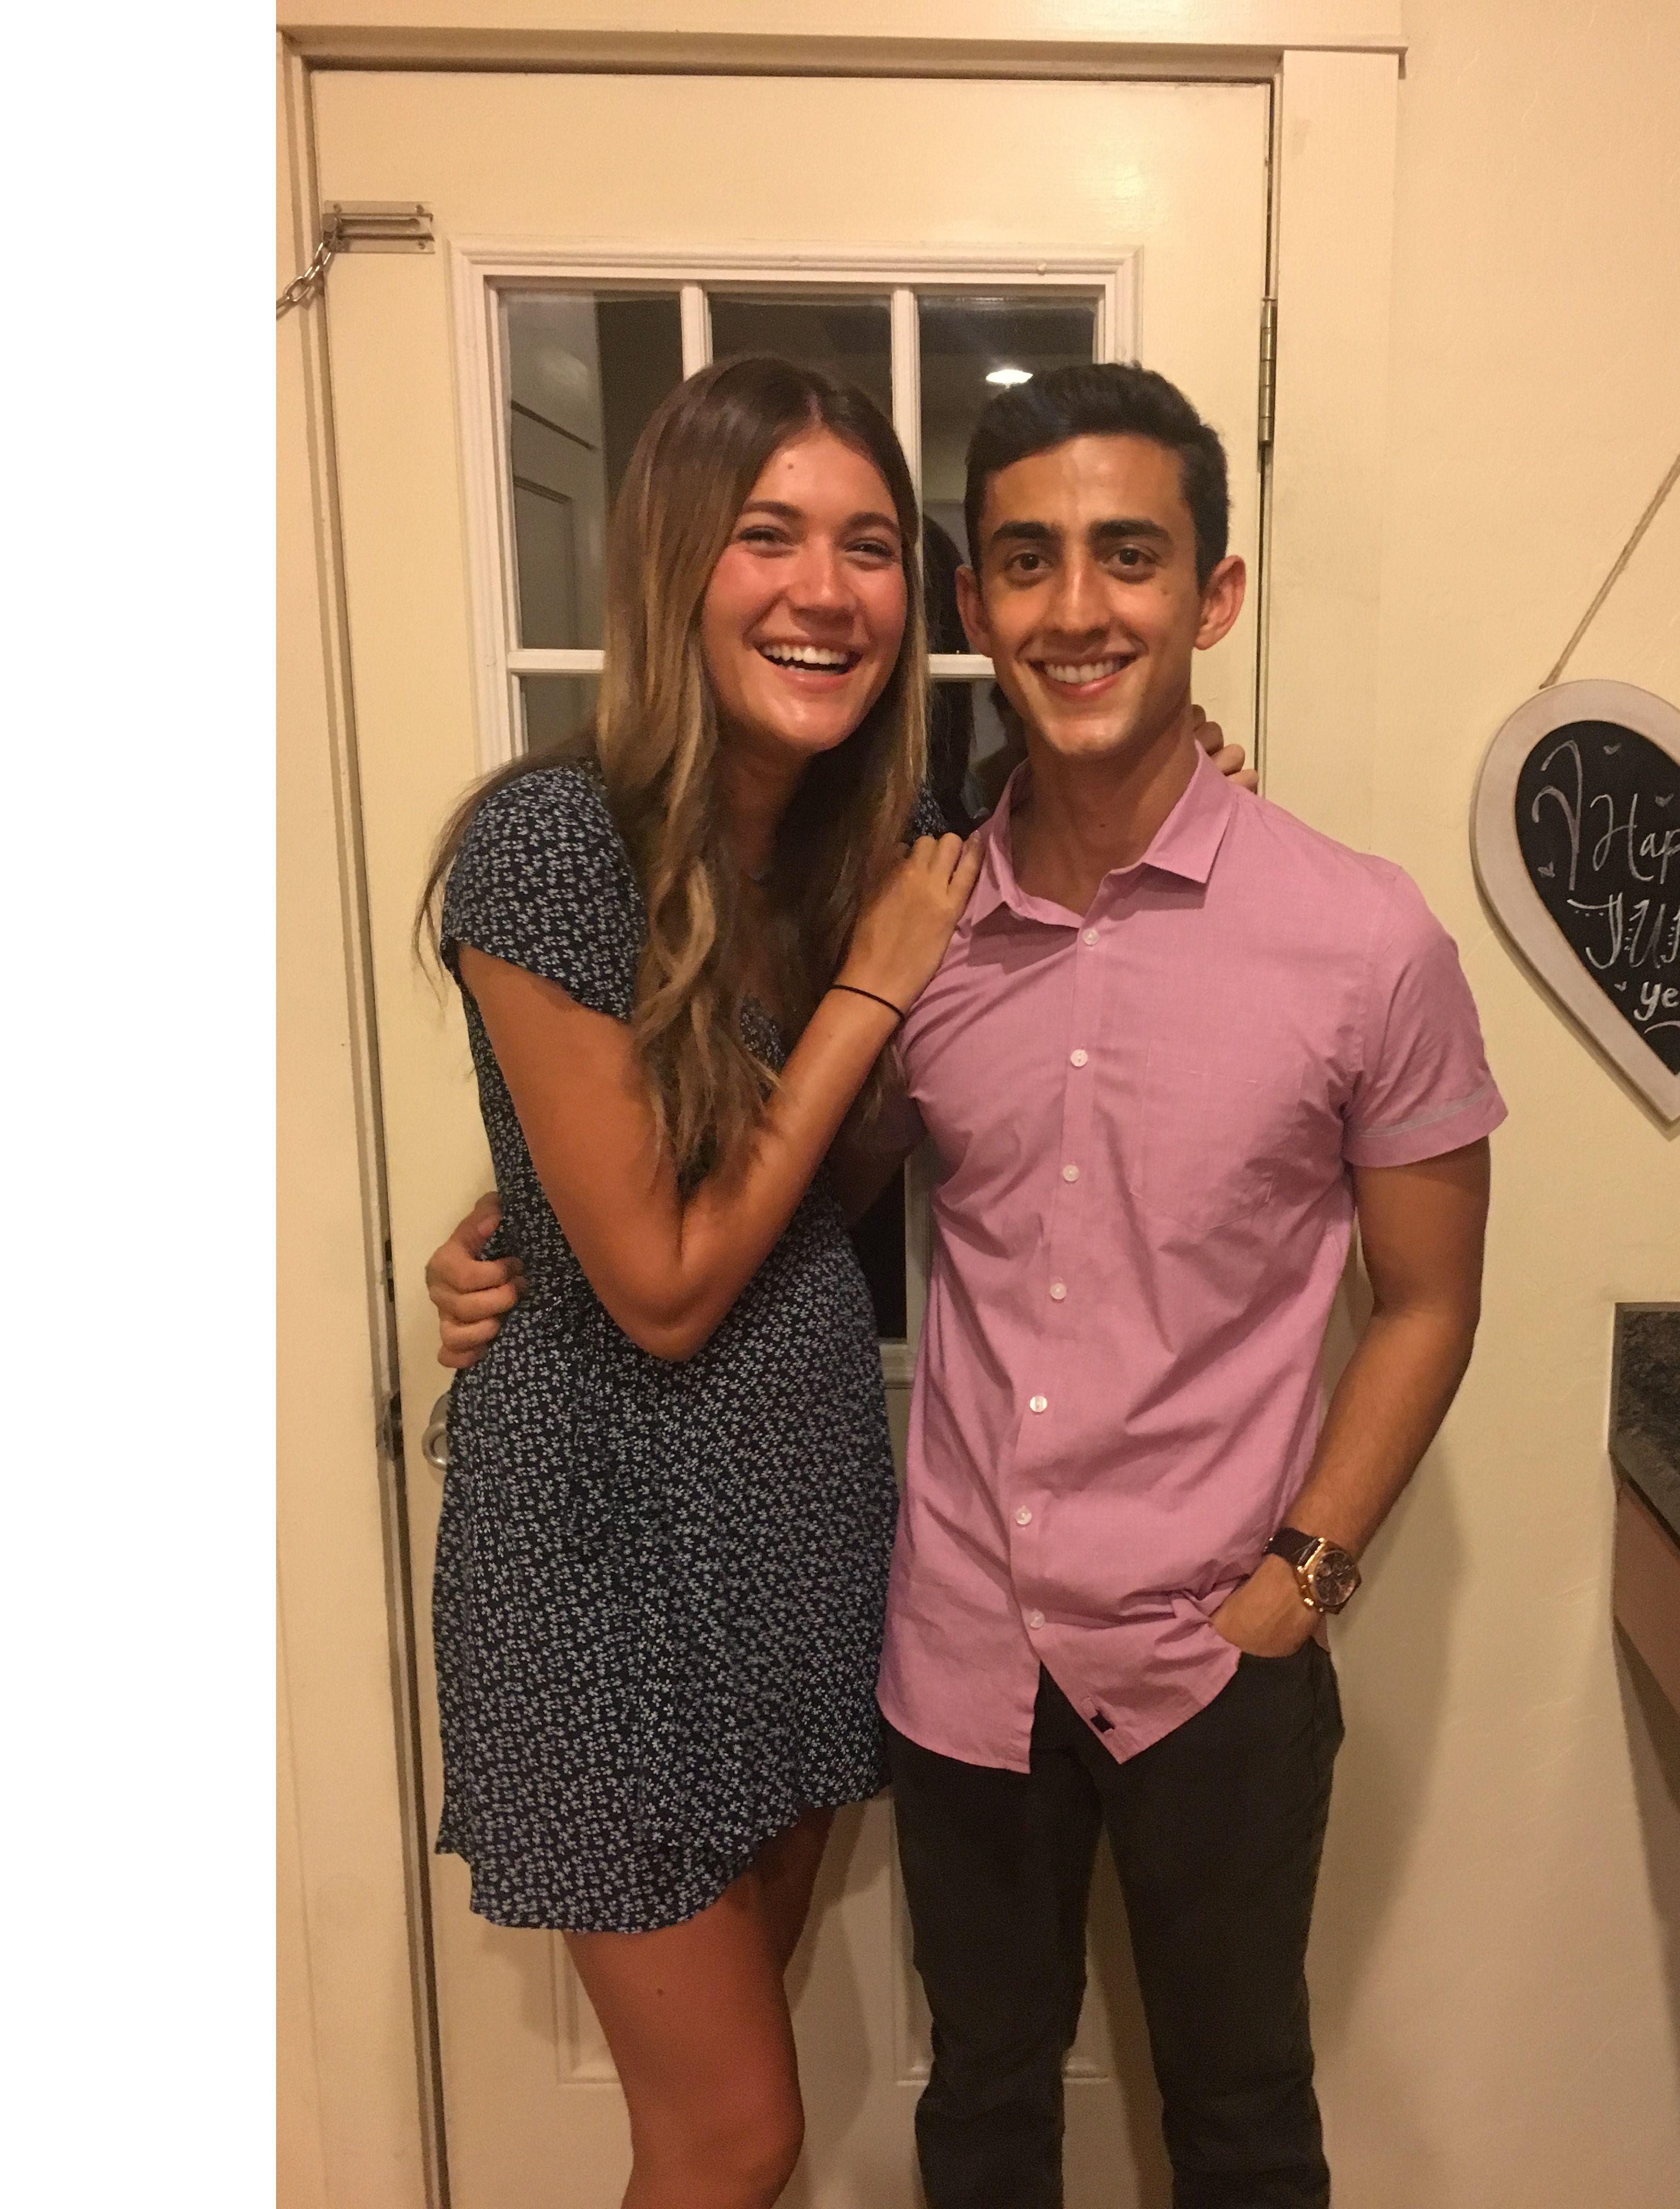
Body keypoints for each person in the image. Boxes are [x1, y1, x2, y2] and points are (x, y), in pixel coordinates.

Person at [436, 362, 1502, 2207]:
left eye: (1129, 558)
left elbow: (1430, 1297)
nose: (1077, 608)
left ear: (1213, 596)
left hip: (1133, 1634)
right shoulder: (855, 896)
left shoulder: (1318, 927)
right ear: (980, 608)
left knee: (1240, 2118)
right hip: (852, 1618)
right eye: (1026, 562)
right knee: (899, 2118)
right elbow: (695, 1212)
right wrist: (525, 1218)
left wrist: (1303, 1583)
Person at [417, 353, 982, 2209]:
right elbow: (660, 1286)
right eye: (771, 535)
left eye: (872, 547)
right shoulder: (549, 842)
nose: (829, 590)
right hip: (600, 1551)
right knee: (735, 2131)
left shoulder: (834, 846)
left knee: (731, 2107)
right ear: (674, 561)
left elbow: (810, 1183)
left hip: (795, 1516)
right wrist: (877, 990)